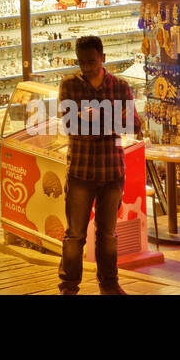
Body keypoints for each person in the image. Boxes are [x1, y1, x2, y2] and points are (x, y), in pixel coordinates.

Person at [56, 34, 145, 295]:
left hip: (111, 172)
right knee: (75, 235)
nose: (87, 67)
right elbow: (71, 126)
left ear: (103, 58)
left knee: (108, 235)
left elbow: (135, 126)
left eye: (91, 62)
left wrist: (95, 118)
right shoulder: (69, 86)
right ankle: (69, 286)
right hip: (80, 172)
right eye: (82, 62)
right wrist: (113, 119)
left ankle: (109, 285)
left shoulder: (120, 87)